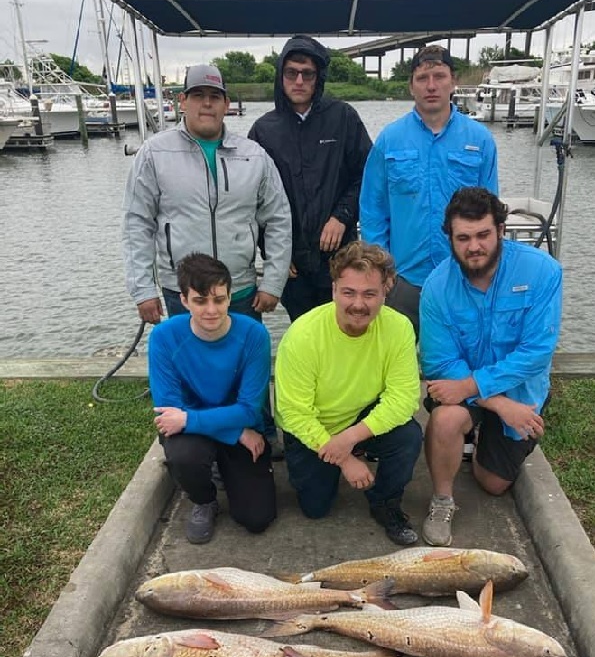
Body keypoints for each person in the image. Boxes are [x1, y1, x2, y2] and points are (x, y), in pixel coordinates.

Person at [123, 63, 291, 450]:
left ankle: (261, 435)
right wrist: (142, 289)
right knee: (192, 372)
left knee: (247, 369)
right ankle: (200, 444)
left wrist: (273, 281)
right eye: (198, 95)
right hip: (181, 290)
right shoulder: (154, 153)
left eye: (215, 97)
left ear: (226, 104)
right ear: (182, 101)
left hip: (241, 288)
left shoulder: (254, 156)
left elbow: (278, 220)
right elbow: (136, 223)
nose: (206, 104)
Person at [418, 187, 563, 546]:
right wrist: (496, 404)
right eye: (463, 238)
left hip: (519, 389)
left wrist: (476, 389)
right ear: (450, 238)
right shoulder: (435, 287)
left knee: (493, 483)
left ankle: (482, 438)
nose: (474, 246)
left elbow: (537, 352)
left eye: (483, 234)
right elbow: (439, 362)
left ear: (500, 229)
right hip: (465, 387)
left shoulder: (543, 271)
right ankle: (442, 501)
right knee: (445, 419)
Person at [274, 241, 423, 546]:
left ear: (386, 290)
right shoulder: (303, 335)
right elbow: (294, 412)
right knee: (315, 508)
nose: (358, 304)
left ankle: (386, 502)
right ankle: (332, 462)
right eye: (348, 292)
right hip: (315, 426)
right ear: (333, 290)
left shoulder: (399, 328)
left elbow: (405, 398)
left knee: (408, 435)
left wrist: (350, 438)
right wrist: (343, 459)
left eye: (369, 294)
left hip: (360, 417)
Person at [360, 45, 499, 338]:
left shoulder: (480, 139)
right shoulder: (389, 139)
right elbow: (373, 210)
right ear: (411, 86)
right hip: (403, 280)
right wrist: (381, 269)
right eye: (422, 78)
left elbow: (490, 214)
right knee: (398, 356)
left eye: (439, 76)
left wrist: (483, 270)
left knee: (459, 357)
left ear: (453, 82)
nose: (431, 85)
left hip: (462, 278)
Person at [149, 252, 276, 545]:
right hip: (201, 431)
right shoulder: (164, 337)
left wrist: (193, 419)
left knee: (258, 518)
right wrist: (234, 431)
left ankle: (225, 467)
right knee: (184, 456)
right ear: (184, 300)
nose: (211, 310)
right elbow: (169, 411)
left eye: (219, 300)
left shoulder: (254, 335)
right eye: (200, 301)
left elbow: (249, 410)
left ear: (230, 297)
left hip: (226, 423)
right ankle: (204, 499)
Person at [249, 35, 372, 321]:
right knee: (304, 331)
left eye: (308, 74)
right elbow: (253, 200)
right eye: (291, 73)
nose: (299, 81)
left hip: (340, 258)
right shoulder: (263, 130)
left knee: (344, 328)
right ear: (280, 76)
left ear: (319, 78)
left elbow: (368, 176)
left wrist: (342, 215)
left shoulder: (344, 117)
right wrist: (272, 251)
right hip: (291, 264)